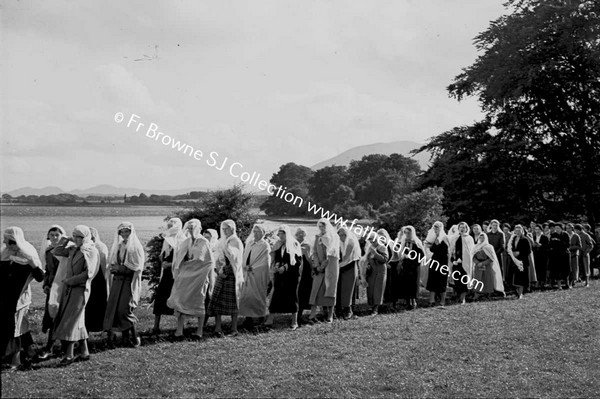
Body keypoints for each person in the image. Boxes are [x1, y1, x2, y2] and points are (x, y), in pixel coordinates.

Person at [51, 225, 99, 365]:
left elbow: (88, 274)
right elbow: (57, 251)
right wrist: (66, 240)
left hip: (80, 290)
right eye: (75, 236)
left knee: (71, 320)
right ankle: (85, 353)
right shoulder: (73, 250)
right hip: (69, 289)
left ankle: (69, 355)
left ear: (85, 237)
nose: (77, 239)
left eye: (79, 237)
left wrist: (70, 281)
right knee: (78, 321)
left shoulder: (91, 251)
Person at [1, 227, 44, 371]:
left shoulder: (28, 254)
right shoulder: (5, 253)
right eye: (5, 241)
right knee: (19, 326)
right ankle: (30, 351)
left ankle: (16, 360)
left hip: (20, 298)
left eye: (9, 241)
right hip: (6, 297)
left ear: (16, 241)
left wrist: (32, 264)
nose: (6, 244)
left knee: (15, 329)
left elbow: (40, 277)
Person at [167, 219, 215, 340]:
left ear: (198, 228)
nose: (191, 230)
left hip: (199, 277)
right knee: (181, 300)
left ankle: (199, 331)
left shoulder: (203, 242)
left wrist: (192, 268)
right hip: (186, 277)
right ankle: (179, 330)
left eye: (193, 228)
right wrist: (182, 270)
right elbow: (180, 259)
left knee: (199, 300)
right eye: (189, 228)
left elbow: (206, 261)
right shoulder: (186, 242)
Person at [103, 222, 145, 347]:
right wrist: (113, 268)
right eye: (122, 232)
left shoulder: (135, 247)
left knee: (125, 310)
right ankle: (125, 338)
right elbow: (114, 263)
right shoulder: (119, 245)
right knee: (115, 310)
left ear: (132, 232)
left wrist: (120, 269)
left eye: (127, 231)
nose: (125, 234)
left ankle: (135, 335)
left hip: (129, 282)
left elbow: (136, 268)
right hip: (117, 282)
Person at [208, 220, 244, 338]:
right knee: (217, 300)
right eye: (223, 229)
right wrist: (218, 270)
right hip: (221, 274)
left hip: (232, 275)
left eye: (227, 228)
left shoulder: (236, 241)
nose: (225, 231)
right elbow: (216, 258)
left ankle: (234, 328)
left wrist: (225, 271)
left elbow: (236, 261)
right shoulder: (221, 241)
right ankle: (217, 327)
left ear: (233, 228)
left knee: (233, 302)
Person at [37, 225, 67, 360]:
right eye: (52, 235)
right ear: (48, 237)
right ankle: (57, 346)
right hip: (52, 288)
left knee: (61, 316)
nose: (54, 238)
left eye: (57, 235)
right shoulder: (48, 252)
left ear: (62, 236)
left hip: (63, 287)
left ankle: (51, 347)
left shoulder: (65, 251)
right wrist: (45, 285)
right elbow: (48, 270)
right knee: (52, 316)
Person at [265, 225, 303, 330]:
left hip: (291, 275)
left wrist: (285, 267)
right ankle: (270, 319)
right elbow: (276, 257)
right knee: (276, 295)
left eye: (281, 234)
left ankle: (294, 322)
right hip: (280, 275)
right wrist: (277, 265)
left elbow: (297, 260)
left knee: (292, 296)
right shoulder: (278, 244)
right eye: (278, 234)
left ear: (286, 233)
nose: (279, 236)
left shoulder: (294, 244)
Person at [152, 218, 184, 334]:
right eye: (169, 225)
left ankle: (179, 327)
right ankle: (156, 326)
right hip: (166, 274)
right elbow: (163, 256)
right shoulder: (167, 240)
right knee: (160, 297)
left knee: (177, 299)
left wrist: (170, 264)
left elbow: (183, 261)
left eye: (172, 225)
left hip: (176, 275)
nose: (170, 228)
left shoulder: (182, 240)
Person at [239, 224, 271, 330]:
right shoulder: (250, 243)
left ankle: (259, 317)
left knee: (257, 295)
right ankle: (248, 318)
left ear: (263, 233)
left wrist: (253, 268)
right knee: (247, 296)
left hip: (257, 274)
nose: (256, 233)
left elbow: (265, 262)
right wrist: (244, 267)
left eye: (259, 232)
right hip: (247, 273)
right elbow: (245, 257)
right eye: (255, 231)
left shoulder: (265, 245)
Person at [307, 218, 340, 323]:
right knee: (315, 290)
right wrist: (317, 265)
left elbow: (331, 254)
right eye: (320, 226)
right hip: (319, 267)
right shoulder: (318, 237)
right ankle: (312, 314)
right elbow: (315, 252)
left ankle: (330, 315)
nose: (321, 228)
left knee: (329, 289)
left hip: (330, 267)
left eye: (323, 226)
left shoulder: (332, 237)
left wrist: (323, 266)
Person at [85, 227, 110, 333]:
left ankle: (100, 326)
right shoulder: (87, 247)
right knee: (90, 304)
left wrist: (106, 280)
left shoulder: (101, 246)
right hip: (91, 278)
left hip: (98, 279)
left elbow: (104, 264)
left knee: (98, 304)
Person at [336, 226, 361, 319]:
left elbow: (347, 258)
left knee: (348, 289)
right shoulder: (338, 241)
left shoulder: (351, 242)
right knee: (338, 288)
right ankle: (338, 309)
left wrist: (336, 267)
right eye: (340, 234)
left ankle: (348, 310)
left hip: (349, 265)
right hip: (340, 266)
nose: (342, 236)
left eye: (344, 235)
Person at [397, 226, 424, 310]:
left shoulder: (416, 241)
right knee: (406, 283)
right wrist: (403, 256)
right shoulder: (404, 241)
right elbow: (401, 252)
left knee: (413, 284)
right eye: (405, 232)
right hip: (406, 266)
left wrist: (412, 257)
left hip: (414, 266)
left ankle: (414, 301)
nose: (407, 234)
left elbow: (422, 255)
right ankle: (408, 301)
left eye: (408, 232)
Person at [471, 232, 505, 299]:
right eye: (480, 237)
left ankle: (487, 294)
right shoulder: (475, 246)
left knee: (487, 279)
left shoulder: (489, 246)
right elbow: (472, 257)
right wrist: (477, 263)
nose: (481, 238)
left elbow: (492, 258)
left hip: (487, 265)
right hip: (478, 266)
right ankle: (477, 294)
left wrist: (483, 263)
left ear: (486, 237)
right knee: (477, 279)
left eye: (483, 237)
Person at [363, 232, 389, 316]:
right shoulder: (369, 247)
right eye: (369, 239)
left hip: (380, 271)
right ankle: (371, 306)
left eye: (372, 239)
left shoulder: (382, 247)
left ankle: (375, 309)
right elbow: (366, 258)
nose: (371, 241)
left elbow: (384, 259)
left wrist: (375, 253)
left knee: (378, 289)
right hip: (372, 271)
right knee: (370, 289)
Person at [424, 221, 450, 307]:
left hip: (443, 261)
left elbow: (447, 250)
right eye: (435, 226)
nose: (436, 228)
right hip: (434, 260)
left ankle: (442, 301)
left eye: (438, 227)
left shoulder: (445, 237)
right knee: (432, 280)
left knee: (442, 281)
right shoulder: (431, 237)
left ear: (441, 227)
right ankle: (431, 300)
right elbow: (428, 247)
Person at [448, 222, 475, 305]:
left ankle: (462, 298)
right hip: (455, 262)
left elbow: (470, 251)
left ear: (466, 229)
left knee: (464, 279)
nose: (462, 229)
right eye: (460, 227)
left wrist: (463, 259)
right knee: (456, 279)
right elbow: (451, 250)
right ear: (458, 228)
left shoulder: (469, 238)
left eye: (464, 227)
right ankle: (458, 295)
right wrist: (453, 260)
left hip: (465, 262)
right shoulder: (454, 238)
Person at [507, 225, 532, 299]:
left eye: (519, 231)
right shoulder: (512, 239)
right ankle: (516, 292)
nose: (517, 232)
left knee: (521, 278)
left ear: (522, 231)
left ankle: (520, 293)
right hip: (513, 261)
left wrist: (519, 253)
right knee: (513, 278)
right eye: (516, 230)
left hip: (522, 261)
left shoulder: (525, 239)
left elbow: (528, 251)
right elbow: (509, 248)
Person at [295, 227, 313, 325]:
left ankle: (300, 313)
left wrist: (312, 270)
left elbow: (310, 258)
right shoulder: (292, 243)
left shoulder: (307, 244)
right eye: (299, 233)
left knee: (303, 291)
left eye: (302, 233)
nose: (300, 235)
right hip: (295, 268)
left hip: (305, 270)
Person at [548, 222, 570, 289]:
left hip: (564, 255)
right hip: (556, 255)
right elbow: (551, 244)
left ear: (561, 228)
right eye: (556, 228)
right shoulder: (553, 235)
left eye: (558, 228)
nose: (556, 229)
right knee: (557, 270)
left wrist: (559, 241)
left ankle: (567, 283)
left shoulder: (565, 234)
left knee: (565, 270)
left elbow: (567, 244)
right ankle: (559, 285)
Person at [531, 224, 549, 288]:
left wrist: (541, 245)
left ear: (541, 230)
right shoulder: (533, 237)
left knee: (542, 269)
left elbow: (547, 247)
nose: (537, 231)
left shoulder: (544, 237)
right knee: (536, 269)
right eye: (536, 229)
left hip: (543, 255)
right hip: (536, 255)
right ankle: (537, 282)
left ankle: (542, 283)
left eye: (538, 229)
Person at [566, 223, 582, 288]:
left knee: (573, 268)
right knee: (567, 269)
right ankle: (567, 282)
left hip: (574, 254)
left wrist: (571, 248)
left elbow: (579, 246)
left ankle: (572, 281)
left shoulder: (576, 236)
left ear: (572, 228)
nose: (568, 229)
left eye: (569, 228)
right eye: (566, 228)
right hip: (566, 254)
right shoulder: (565, 235)